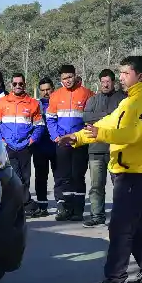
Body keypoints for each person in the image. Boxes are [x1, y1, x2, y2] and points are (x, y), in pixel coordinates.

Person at [69, 56, 142, 283]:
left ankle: (115, 280)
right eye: (120, 73)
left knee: (121, 228)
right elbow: (106, 123)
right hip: (127, 172)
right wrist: (78, 137)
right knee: (136, 226)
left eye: (125, 73)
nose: (120, 77)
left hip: (137, 174)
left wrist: (101, 134)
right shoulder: (128, 101)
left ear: (140, 76)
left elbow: (134, 134)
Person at [0, 73, 43, 215]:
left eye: (20, 83)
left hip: (25, 147)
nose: (18, 86)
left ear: (25, 85)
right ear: (11, 85)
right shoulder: (2, 102)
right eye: (15, 84)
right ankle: (27, 205)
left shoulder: (33, 103)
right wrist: (1, 140)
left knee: (25, 178)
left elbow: (39, 125)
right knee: (15, 177)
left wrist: (32, 140)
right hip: (9, 146)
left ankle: (23, 207)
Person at [48, 64, 94, 221]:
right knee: (63, 177)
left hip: (80, 142)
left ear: (75, 75)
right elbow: (50, 119)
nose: (67, 80)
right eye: (64, 78)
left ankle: (78, 210)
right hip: (62, 143)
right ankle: (65, 209)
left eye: (69, 77)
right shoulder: (55, 95)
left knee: (78, 176)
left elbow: (92, 118)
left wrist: (84, 135)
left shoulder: (87, 94)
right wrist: (56, 136)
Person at [82, 69, 124, 226]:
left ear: (114, 82)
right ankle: (97, 216)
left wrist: (99, 118)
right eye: (103, 82)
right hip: (96, 149)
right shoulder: (93, 100)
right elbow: (86, 118)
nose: (105, 85)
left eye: (108, 82)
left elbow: (123, 119)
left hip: (116, 149)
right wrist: (108, 116)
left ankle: (121, 216)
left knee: (119, 186)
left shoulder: (123, 99)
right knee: (96, 186)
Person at [30, 78, 57, 217]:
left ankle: (62, 206)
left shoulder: (58, 102)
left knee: (59, 178)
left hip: (56, 146)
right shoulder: (36, 105)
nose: (46, 92)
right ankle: (42, 206)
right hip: (39, 147)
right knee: (40, 178)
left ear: (53, 89)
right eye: (43, 90)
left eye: (48, 89)